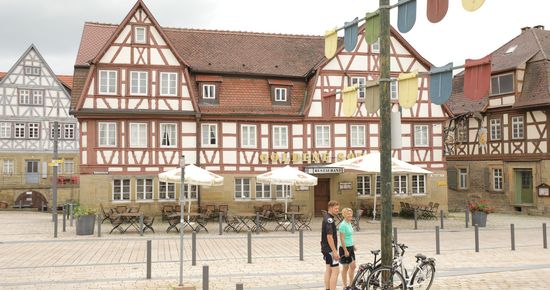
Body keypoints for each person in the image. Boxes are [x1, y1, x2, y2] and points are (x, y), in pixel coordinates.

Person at [321, 200, 340, 290]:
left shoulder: (326, 217)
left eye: (338, 208)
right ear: (330, 208)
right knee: (335, 271)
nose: (337, 210)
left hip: (325, 249)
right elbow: (329, 237)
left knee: (328, 269)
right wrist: (335, 252)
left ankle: (327, 288)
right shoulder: (329, 219)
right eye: (336, 208)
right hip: (330, 249)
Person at [338, 208, 356, 290]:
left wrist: (353, 245)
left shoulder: (349, 223)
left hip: (350, 247)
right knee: (346, 267)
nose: (350, 215)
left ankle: (351, 284)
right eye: (348, 214)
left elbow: (350, 236)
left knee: (353, 266)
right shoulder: (343, 225)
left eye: (351, 214)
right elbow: (342, 239)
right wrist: (345, 250)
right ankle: (344, 286)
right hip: (344, 248)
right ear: (344, 215)